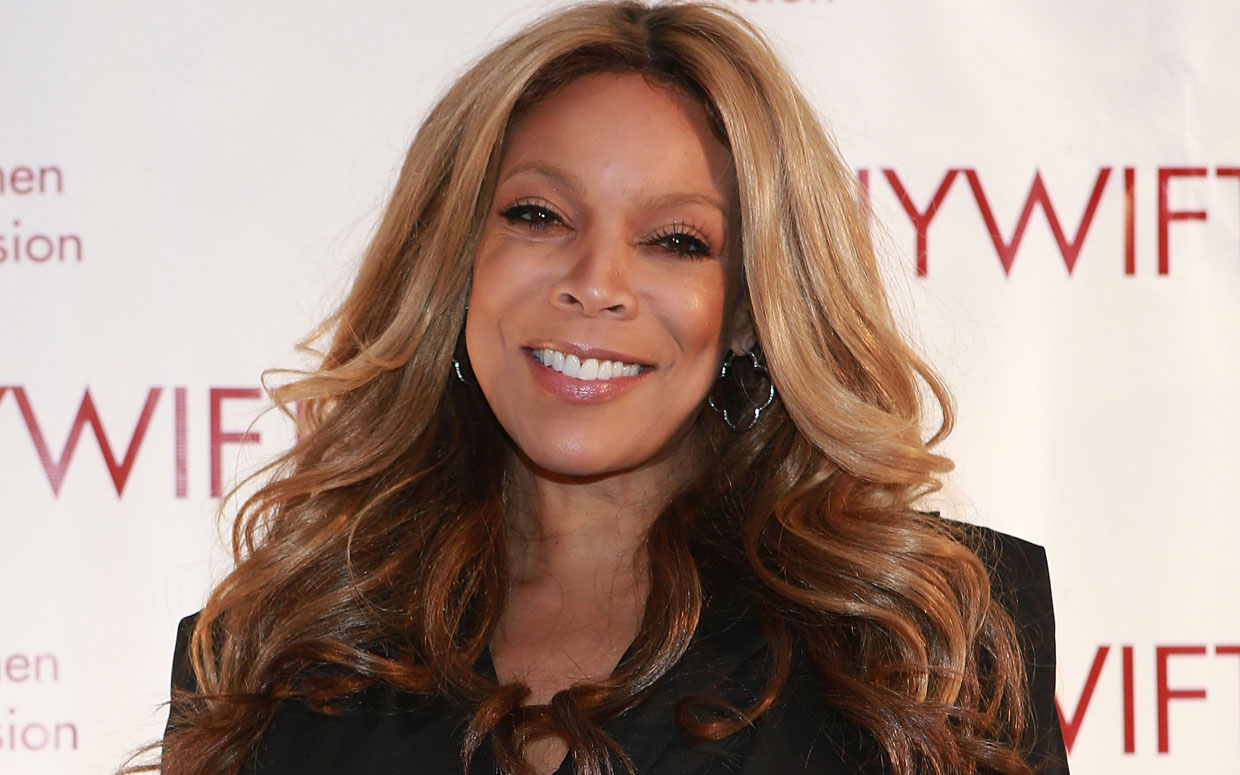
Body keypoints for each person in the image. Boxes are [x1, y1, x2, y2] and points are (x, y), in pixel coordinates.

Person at [144, 2, 1070, 774]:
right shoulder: (272, 655)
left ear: (750, 311)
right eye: (538, 215)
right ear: (455, 264)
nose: (595, 283)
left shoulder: (924, 640)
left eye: (675, 240)